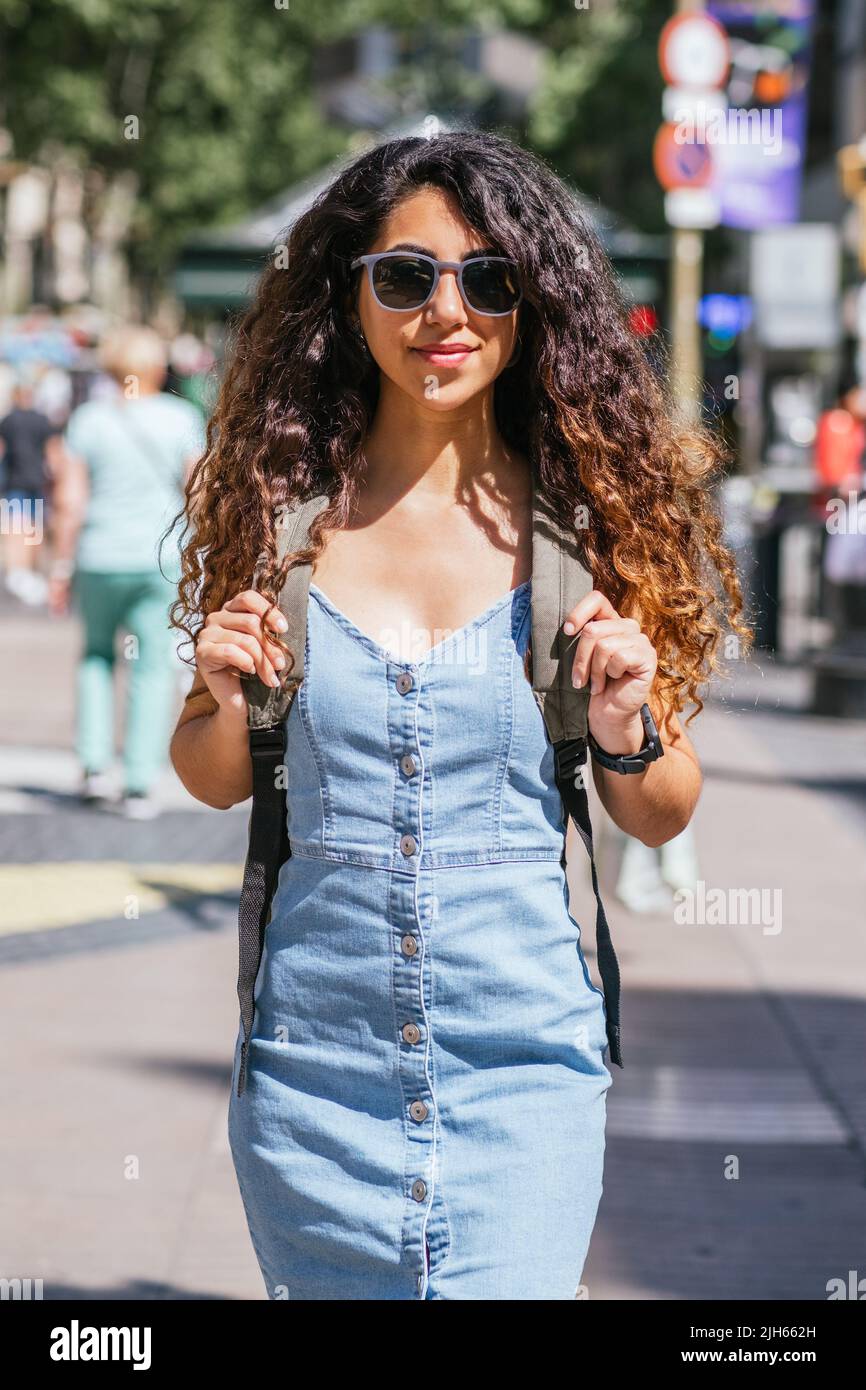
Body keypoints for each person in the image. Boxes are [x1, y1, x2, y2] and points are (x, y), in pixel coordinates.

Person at [169, 130, 749, 1300]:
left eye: (489, 280)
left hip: (520, 1075)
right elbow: (212, 770)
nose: (447, 310)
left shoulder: (584, 534)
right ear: (352, 295)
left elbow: (660, 805)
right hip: (311, 1082)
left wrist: (630, 719)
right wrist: (224, 694)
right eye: (405, 276)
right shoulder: (283, 525)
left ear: (530, 306)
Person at [49, 325, 206, 817]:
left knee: (95, 657)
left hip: (99, 555)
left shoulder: (88, 420)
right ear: (158, 366)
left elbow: (69, 501)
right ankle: (139, 781)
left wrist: (60, 564)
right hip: (159, 559)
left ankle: (94, 767)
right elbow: (197, 492)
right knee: (152, 665)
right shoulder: (181, 416)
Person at [0, 379, 64, 605]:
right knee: (35, 529)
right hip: (37, 481)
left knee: (16, 527)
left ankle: (19, 571)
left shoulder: (7, 420)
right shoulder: (42, 420)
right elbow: (54, 453)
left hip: (15, 481)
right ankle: (31, 572)